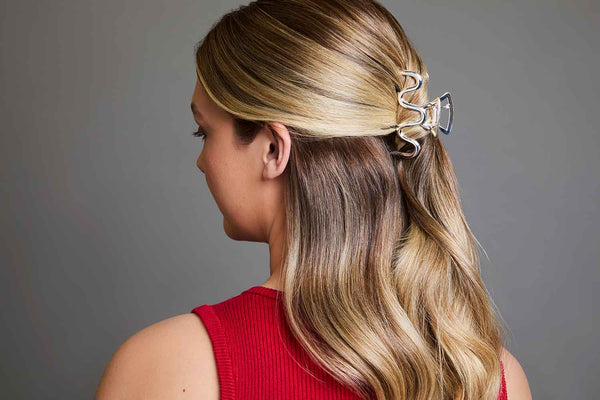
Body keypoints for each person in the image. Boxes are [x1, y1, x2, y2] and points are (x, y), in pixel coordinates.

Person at [94, 1, 532, 399]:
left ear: (273, 149)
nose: (201, 161)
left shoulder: (169, 368)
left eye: (204, 132)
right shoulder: (486, 374)